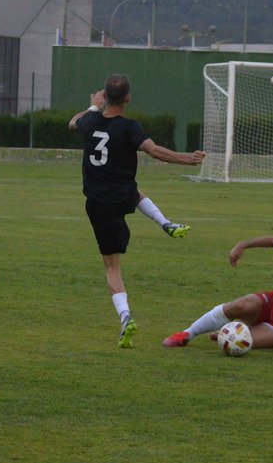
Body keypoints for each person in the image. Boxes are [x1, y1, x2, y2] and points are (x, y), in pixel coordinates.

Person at [69, 74, 207, 348]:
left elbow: (72, 122)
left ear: (105, 96)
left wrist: (94, 105)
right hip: (122, 196)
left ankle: (125, 317)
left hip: (98, 204)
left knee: (112, 268)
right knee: (133, 192)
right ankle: (165, 223)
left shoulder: (90, 121)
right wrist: (187, 159)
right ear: (128, 98)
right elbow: (153, 151)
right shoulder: (129, 127)